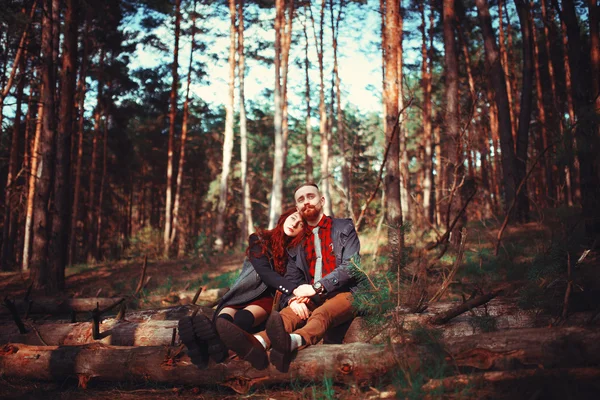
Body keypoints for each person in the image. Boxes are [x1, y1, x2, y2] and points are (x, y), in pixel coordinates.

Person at [216, 183, 361, 372]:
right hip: (311, 297)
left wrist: (317, 287)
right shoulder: (297, 244)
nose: (306, 202)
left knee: (322, 314)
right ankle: (256, 343)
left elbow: (351, 266)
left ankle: (292, 342)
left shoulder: (343, 227)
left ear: (322, 200)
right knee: (285, 316)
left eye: (311, 196)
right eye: (301, 200)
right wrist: (293, 300)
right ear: (297, 207)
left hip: (345, 293)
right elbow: (292, 279)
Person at [178, 208, 317, 369]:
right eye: (293, 218)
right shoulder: (259, 239)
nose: (294, 224)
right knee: (223, 321)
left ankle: (200, 348)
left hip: (267, 298)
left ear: (303, 231)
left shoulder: (296, 252)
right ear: (284, 217)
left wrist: (295, 297)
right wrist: (295, 290)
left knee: (242, 320)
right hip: (244, 292)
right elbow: (265, 272)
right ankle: (204, 346)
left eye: (300, 224)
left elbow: (296, 277)